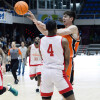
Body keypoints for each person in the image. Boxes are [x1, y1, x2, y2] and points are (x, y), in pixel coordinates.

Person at [27, 10, 80, 85]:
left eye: (65, 16)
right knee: (60, 86)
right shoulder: (61, 30)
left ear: (71, 19)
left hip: (68, 60)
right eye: (63, 16)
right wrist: (35, 21)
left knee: (67, 85)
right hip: (59, 61)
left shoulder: (73, 28)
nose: (63, 18)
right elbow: (45, 32)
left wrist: (39, 23)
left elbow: (54, 31)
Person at [39, 20, 75, 100]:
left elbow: (42, 57)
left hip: (45, 73)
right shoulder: (63, 40)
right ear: (56, 28)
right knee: (71, 98)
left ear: (47, 29)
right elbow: (67, 60)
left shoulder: (41, 41)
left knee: (46, 98)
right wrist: (64, 72)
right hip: (58, 72)